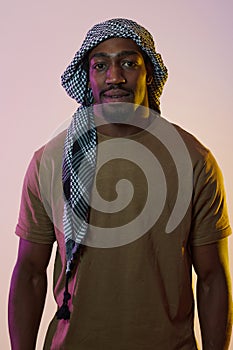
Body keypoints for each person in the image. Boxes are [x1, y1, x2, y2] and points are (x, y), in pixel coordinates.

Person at [8, 18, 232, 350]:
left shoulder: (194, 159)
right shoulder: (51, 160)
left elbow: (212, 277)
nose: (115, 77)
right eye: (101, 65)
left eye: (128, 62)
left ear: (149, 73)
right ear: (88, 77)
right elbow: (29, 271)